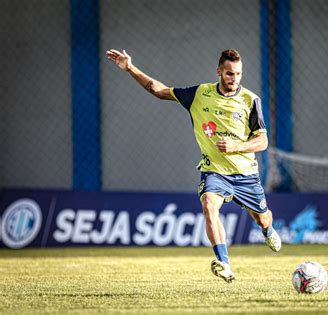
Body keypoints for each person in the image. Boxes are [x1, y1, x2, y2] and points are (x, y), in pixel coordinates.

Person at [106, 48, 281, 283]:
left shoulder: (251, 100)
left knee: (263, 218)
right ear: (219, 72)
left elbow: (263, 141)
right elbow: (158, 90)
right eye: (229, 73)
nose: (234, 79)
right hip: (214, 171)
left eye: (238, 74)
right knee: (209, 205)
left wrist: (235, 147)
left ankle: (267, 231)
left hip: (246, 174)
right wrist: (130, 68)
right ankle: (224, 263)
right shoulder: (199, 94)